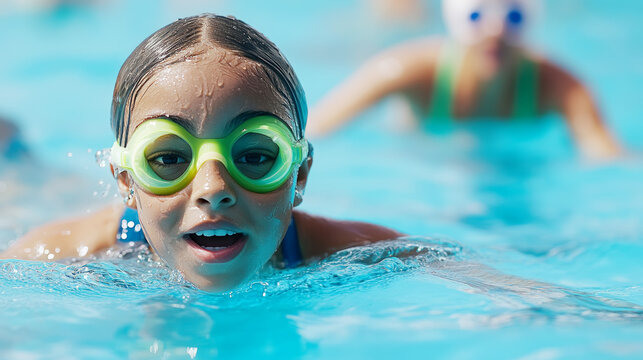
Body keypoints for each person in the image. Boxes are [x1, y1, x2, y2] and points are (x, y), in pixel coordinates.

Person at [0, 14, 401, 292]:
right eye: (169, 159)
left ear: (299, 176)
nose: (213, 189)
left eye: (256, 157)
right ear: (125, 180)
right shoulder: (52, 259)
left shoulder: (356, 253)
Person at [307, 0, 621, 159]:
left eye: (512, 18)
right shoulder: (409, 69)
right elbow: (315, 130)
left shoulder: (559, 85)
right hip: (424, 156)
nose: (495, 32)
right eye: (477, 17)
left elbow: (606, 155)